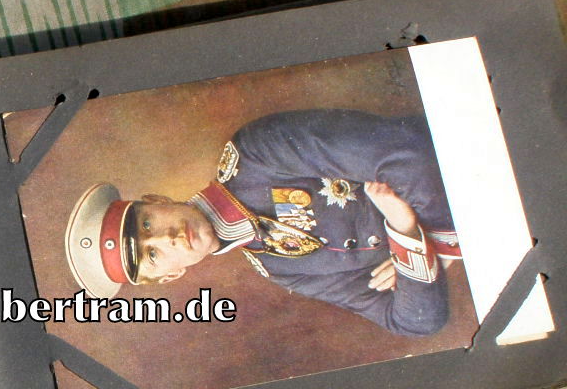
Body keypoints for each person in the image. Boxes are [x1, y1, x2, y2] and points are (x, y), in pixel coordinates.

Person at [65, 109, 462, 336]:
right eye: (152, 256)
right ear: (172, 275)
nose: (167, 239)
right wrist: (406, 234)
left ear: (156, 200)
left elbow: (408, 157)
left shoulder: (255, 154)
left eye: (147, 224)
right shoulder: (279, 267)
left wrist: (436, 248)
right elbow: (415, 322)